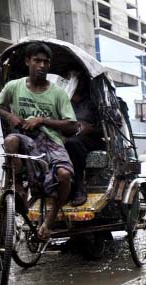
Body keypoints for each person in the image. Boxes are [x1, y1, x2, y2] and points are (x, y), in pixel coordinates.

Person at [0, 42, 78, 240]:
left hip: (50, 141)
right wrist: (10, 117)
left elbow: (72, 125)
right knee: (11, 140)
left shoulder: (57, 93)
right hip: (23, 138)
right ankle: (19, 189)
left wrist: (42, 120)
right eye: (37, 61)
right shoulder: (14, 86)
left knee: (64, 174)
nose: (41, 65)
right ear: (27, 61)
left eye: (45, 62)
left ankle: (49, 220)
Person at [65, 77, 105, 206]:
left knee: (73, 143)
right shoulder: (63, 101)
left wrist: (89, 129)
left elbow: (107, 128)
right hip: (66, 137)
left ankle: (79, 187)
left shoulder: (94, 103)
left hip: (91, 140)